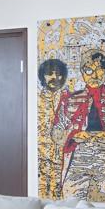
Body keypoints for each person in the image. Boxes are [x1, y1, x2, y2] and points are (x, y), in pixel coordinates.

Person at [51, 51, 105, 202]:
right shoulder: (69, 101)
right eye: (88, 70)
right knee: (72, 202)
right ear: (82, 73)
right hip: (77, 157)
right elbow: (56, 132)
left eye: (100, 70)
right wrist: (74, 135)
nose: (94, 75)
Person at [35, 59, 68, 199]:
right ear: (43, 76)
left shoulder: (69, 99)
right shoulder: (35, 100)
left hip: (63, 156)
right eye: (50, 74)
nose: (55, 78)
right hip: (41, 156)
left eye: (59, 74)